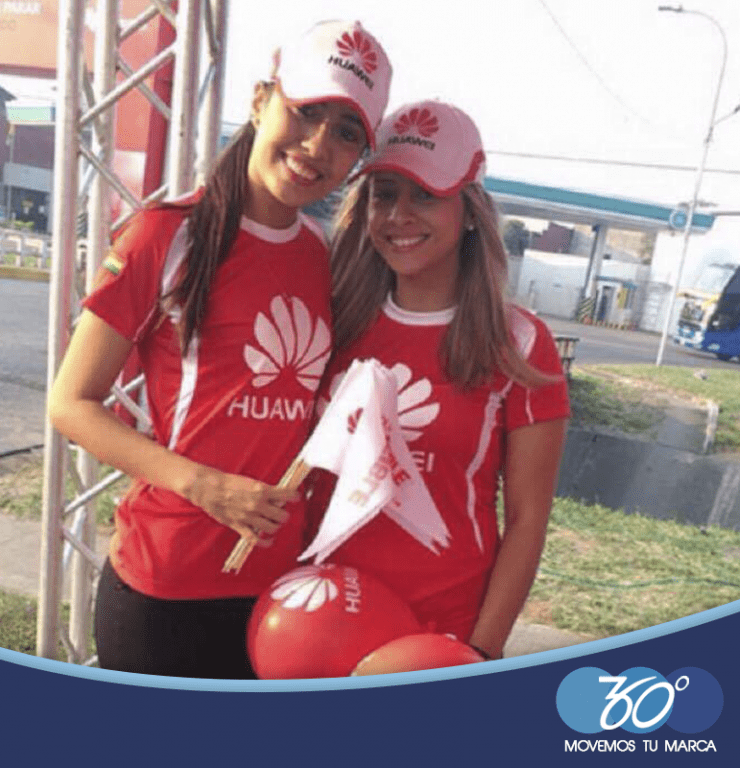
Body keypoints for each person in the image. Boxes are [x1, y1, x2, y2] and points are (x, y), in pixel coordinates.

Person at [47, 20, 392, 679]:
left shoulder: (325, 257)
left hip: (278, 597)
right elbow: (71, 403)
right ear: (262, 100)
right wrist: (205, 487)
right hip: (162, 589)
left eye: (347, 132)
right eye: (306, 110)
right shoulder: (167, 235)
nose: (318, 145)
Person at [307, 100, 570, 663]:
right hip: (314, 623)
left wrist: (478, 651)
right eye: (384, 195)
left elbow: (527, 521)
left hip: (437, 633)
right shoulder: (332, 315)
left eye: (425, 195)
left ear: (470, 211)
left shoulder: (521, 342)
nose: (398, 216)